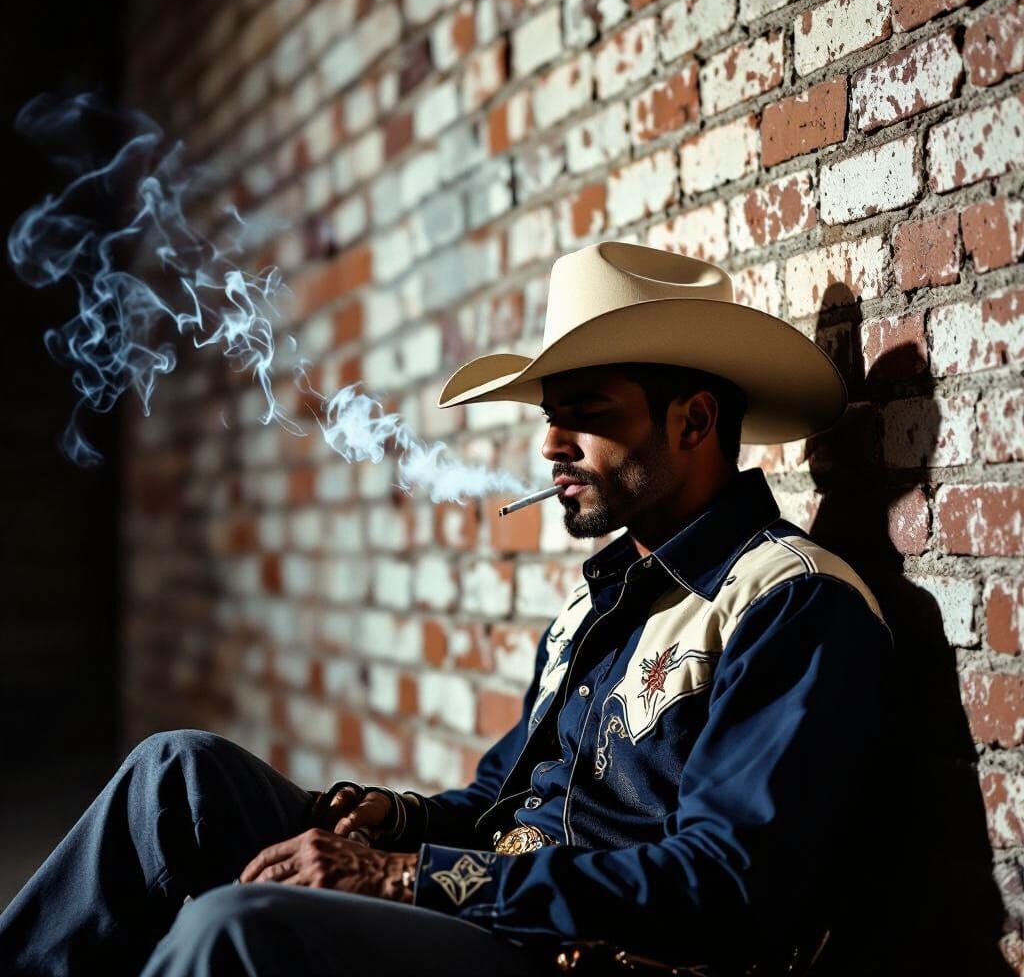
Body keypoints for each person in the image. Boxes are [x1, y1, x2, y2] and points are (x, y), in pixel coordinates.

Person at [0, 241, 892, 977]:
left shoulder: (789, 599)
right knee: (177, 777)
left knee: (236, 929)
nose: (549, 444)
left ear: (693, 423)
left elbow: (727, 887)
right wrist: (397, 822)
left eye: (585, 412)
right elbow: (497, 805)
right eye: (550, 415)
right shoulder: (597, 607)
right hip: (491, 912)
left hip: (581, 958)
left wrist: (405, 880)